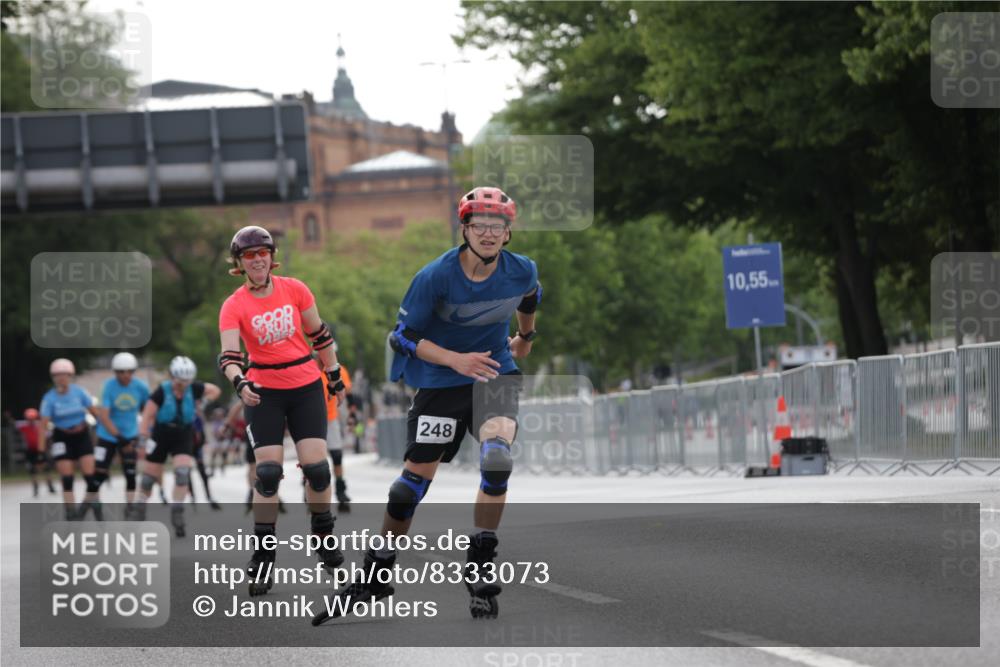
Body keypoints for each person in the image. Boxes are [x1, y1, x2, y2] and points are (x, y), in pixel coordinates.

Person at [316, 186, 540, 623]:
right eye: (480, 225)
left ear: (508, 233)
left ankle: (479, 563)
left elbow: (531, 296)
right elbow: (401, 337)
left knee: (497, 461)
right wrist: (456, 359)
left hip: (494, 375)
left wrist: (524, 337)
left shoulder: (521, 270)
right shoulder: (435, 276)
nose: (490, 234)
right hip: (440, 384)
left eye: (499, 226)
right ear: (465, 228)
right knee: (407, 488)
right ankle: (376, 575)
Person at [217, 225, 347, 596]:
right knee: (269, 473)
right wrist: (239, 382)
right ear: (239, 264)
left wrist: (334, 373)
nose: (257, 260)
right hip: (263, 392)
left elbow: (319, 334)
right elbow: (228, 355)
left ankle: (323, 535)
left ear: (272, 257)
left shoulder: (295, 289)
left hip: (306, 385)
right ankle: (263, 553)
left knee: (319, 471)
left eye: (263, 253)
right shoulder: (234, 305)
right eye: (249, 256)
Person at [130, 356, 221, 536]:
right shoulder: (161, 391)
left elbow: (215, 390)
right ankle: (139, 506)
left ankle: (177, 510)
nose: (183, 384)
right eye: (180, 381)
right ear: (173, 376)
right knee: (149, 478)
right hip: (161, 434)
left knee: (182, 473)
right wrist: (142, 441)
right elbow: (147, 416)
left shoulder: (193, 389)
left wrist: (202, 402)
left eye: (187, 381)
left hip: (183, 433)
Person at [38, 358, 120, 520]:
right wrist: (41, 451)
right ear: (53, 378)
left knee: (90, 476)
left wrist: (108, 433)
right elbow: (43, 425)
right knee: (67, 478)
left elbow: (95, 414)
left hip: (81, 435)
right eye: (57, 376)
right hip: (61, 437)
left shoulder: (79, 392)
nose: (62, 379)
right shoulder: (49, 398)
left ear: (71, 376)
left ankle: (96, 507)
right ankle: (70, 511)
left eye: (65, 375)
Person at [92, 352, 149, 516]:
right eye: (121, 372)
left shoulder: (140, 386)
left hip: (130, 434)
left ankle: (130, 506)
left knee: (130, 473)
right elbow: (103, 415)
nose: (125, 375)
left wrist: (143, 429)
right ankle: (92, 502)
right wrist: (119, 437)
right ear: (115, 372)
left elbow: (148, 410)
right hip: (108, 435)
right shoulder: (108, 386)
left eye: (129, 371)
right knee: (100, 473)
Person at [315, 347, 353, 511]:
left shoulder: (338, 370)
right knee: (314, 459)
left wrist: (352, 414)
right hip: (311, 419)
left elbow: (348, 392)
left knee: (336, 455)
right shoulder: (308, 370)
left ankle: (340, 490)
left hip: (331, 419)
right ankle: (310, 486)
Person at [16, 408, 54, 496]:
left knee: (45, 467)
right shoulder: (24, 426)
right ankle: (35, 487)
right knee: (32, 469)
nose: (31, 420)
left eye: (32, 418)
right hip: (30, 450)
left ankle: (50, 486)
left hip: (40, 449)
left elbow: (48, 435)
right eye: (29, 419)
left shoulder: (40, 425)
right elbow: (15, 424)